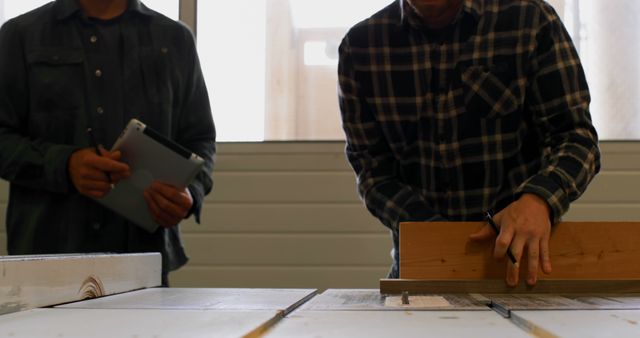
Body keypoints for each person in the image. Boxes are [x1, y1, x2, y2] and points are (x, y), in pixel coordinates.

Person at [338, 0, 600, 286]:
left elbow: (575, 137)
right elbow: (373, 173)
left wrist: (538, 200)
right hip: (423, 269)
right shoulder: (361, 48)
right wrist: (435, 234)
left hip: (519, 267)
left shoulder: (530, 20)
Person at [0, 0, 215, 286]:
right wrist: (64, 165)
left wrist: (190, 192)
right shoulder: (20, 35)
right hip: (46, 258)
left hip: (142, 259)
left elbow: (200, 138)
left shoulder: (174, 39)